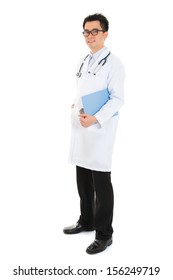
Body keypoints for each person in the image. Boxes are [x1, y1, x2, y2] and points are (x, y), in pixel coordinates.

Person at [63, 13, 125, 254]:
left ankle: (104, 233)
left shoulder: (114, 63)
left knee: (101, 183)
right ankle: (86, 220)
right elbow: (84, 89)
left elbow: (118, 99)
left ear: (105, 33)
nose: (89, 36)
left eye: (94, 31)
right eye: (86, 32)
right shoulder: (83, 61)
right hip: (81, 127)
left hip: (99, 131)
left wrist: (96, 118)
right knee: (83, 181)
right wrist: (75, 104)